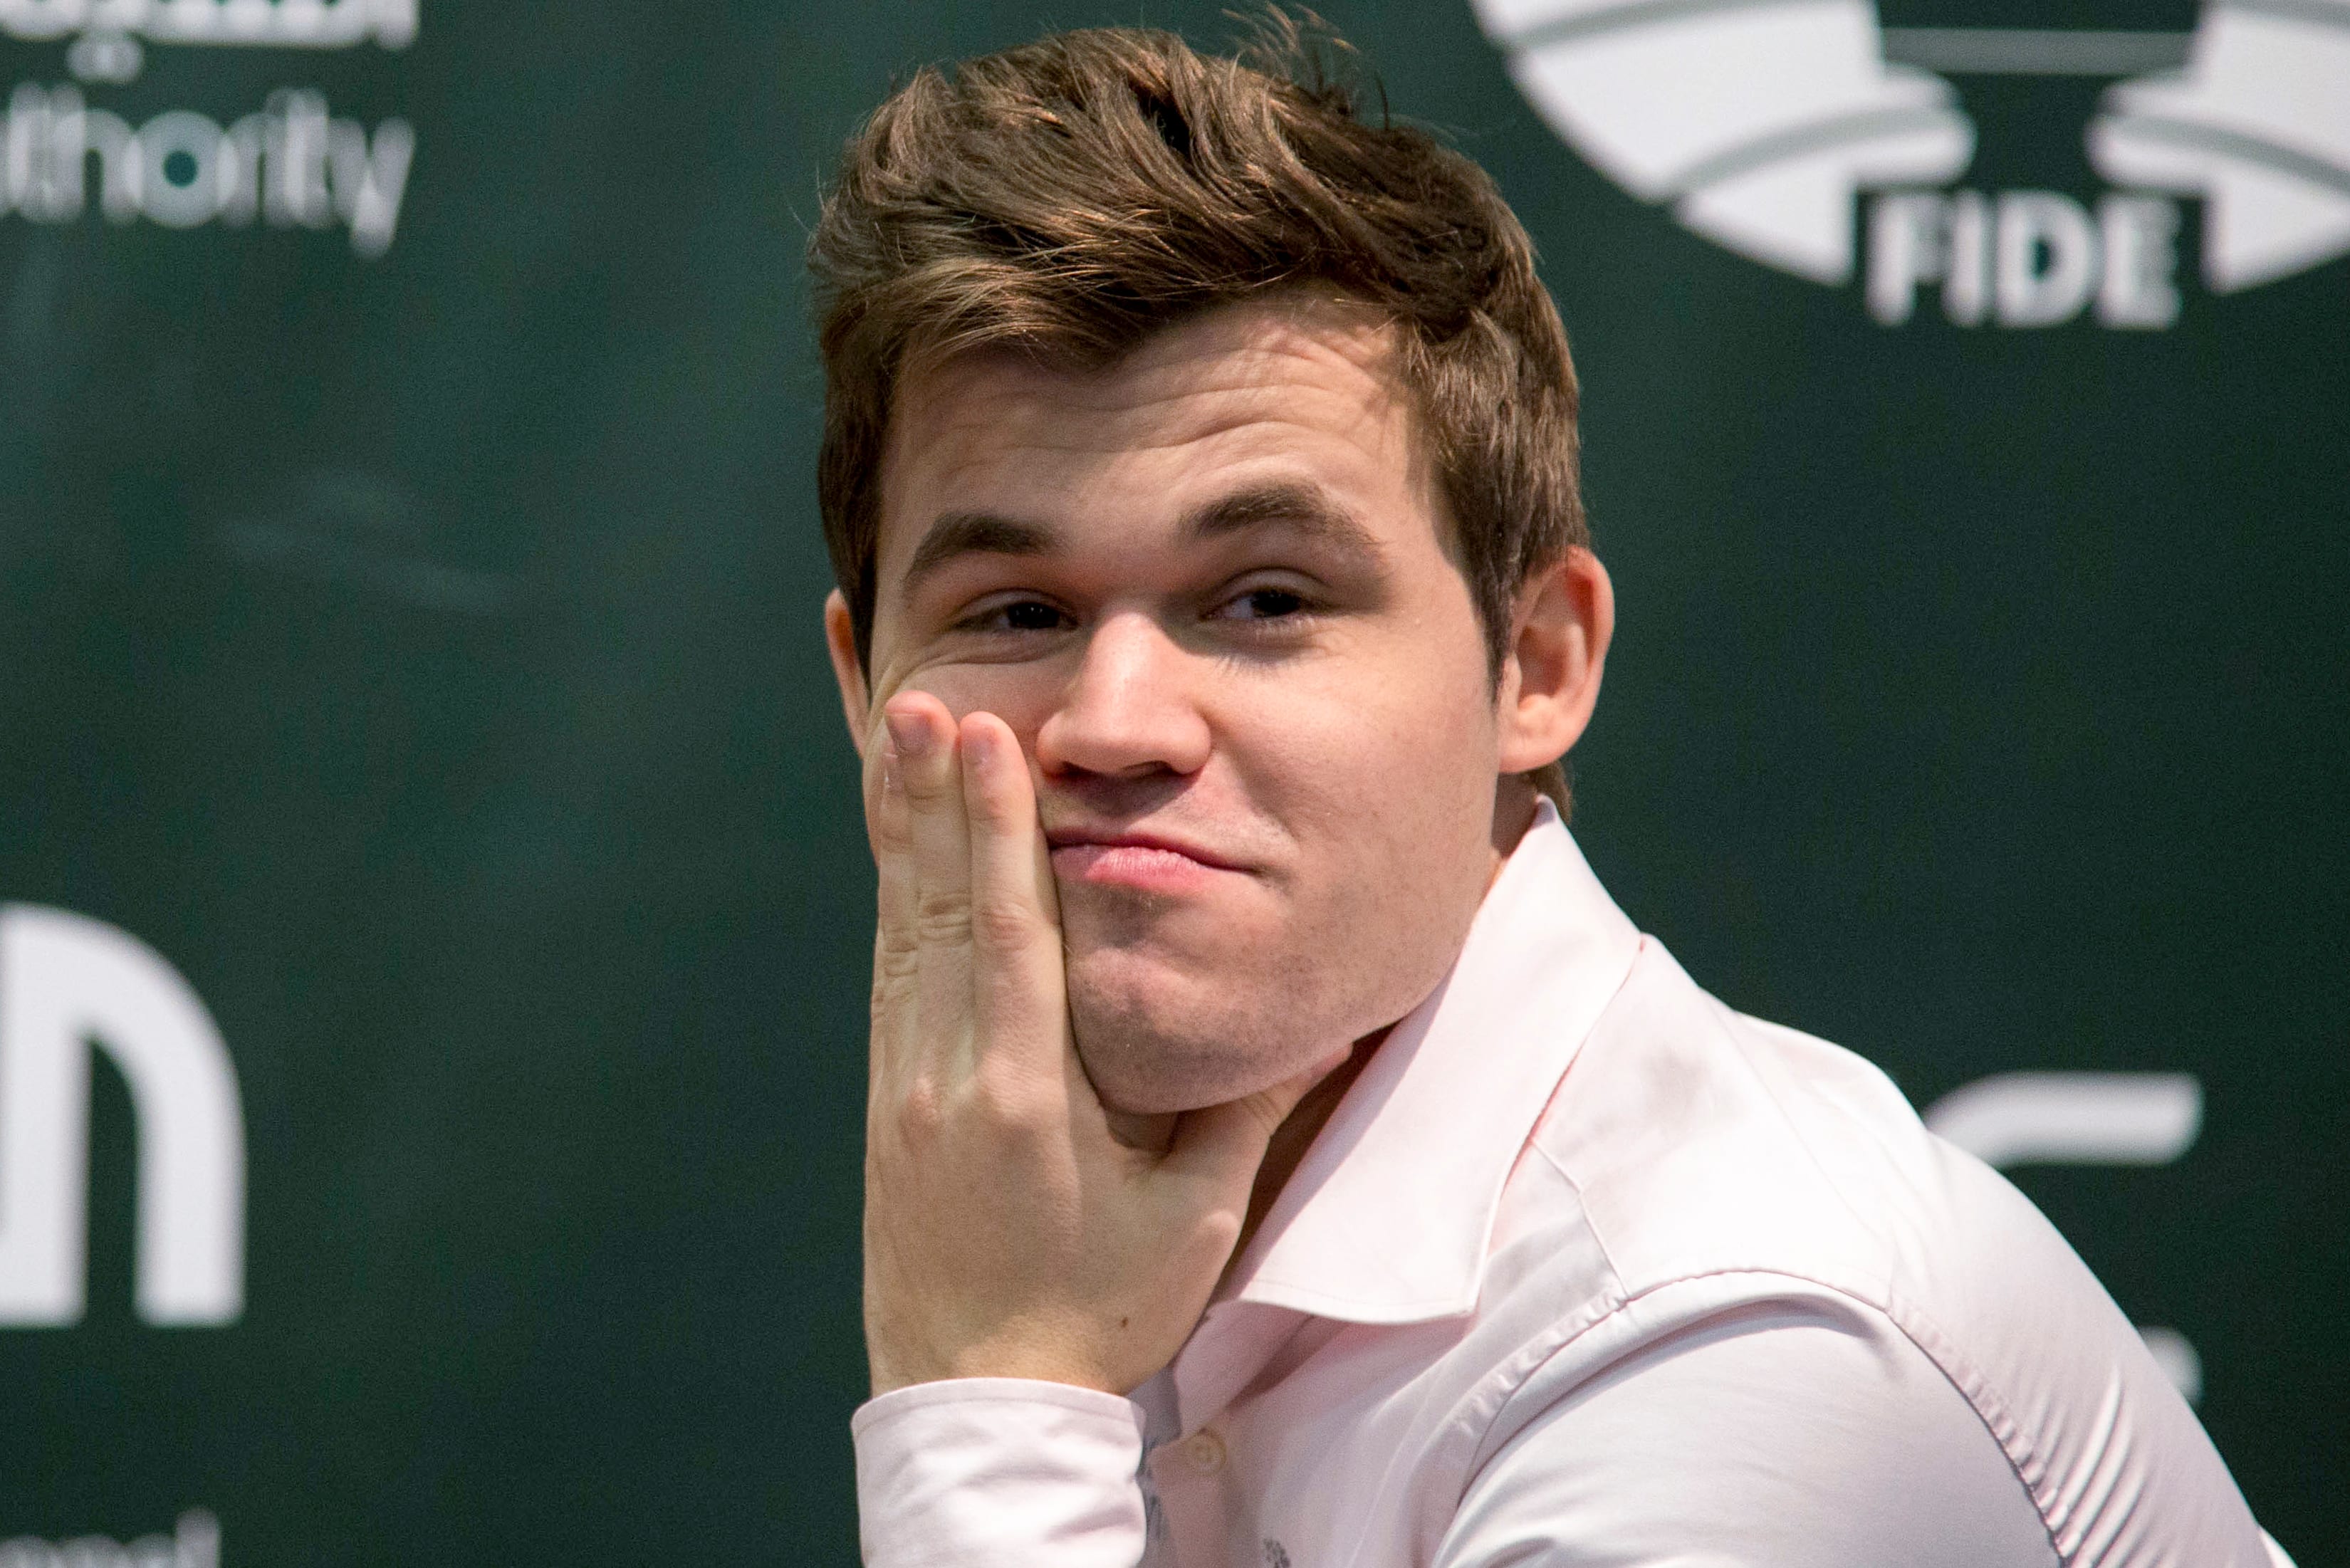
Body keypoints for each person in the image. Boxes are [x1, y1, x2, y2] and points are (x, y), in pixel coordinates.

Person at [807, 21, 2287, 1568]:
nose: (1114, 725)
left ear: (1536, 663)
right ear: (862, 690)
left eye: (1264, 600)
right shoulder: (1071, 1218)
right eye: (1016, 613)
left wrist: (993, 1394)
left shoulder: (1734, 1335)